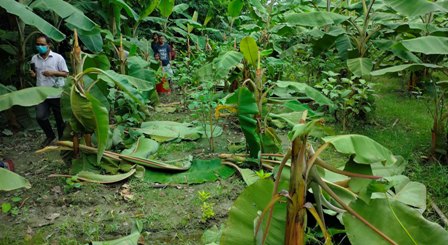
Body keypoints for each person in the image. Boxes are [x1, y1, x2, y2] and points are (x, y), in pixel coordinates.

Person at [30, 34, 69, 147]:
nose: (39, 46)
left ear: (49, 45)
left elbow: (66, 73)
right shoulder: (34, 58)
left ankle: (62, 141)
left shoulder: (58, 58)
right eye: (37, 44)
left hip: (56, 93)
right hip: (41, 93)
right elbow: (34, 73)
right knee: (40, 116)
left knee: (60, 120)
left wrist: (53, 73)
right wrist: (33, 74)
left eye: (42, 44)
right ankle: (50, 135)